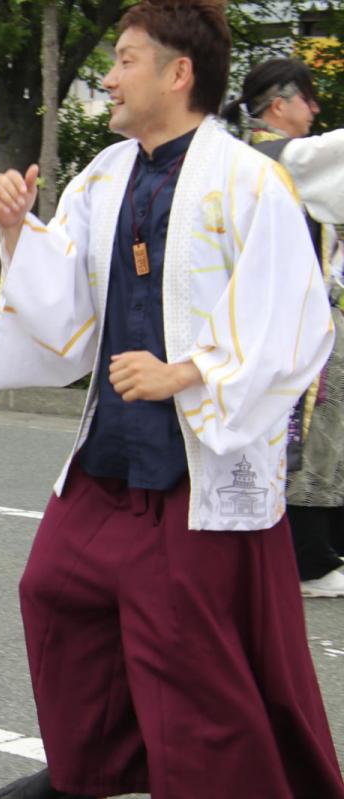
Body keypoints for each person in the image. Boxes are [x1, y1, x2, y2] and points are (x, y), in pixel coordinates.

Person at [0, 3, 344, 798]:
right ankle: (101, 764)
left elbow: (296, 314)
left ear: (180, 73)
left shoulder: (251, 180)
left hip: (196, 460)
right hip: (111, 445)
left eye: (125, 59)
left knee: (186, 656)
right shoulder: (105, 176)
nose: (107, 78)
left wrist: (188, 371)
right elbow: (66, 305)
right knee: (54, 590)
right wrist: (16, 232)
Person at [222, 58, 344, 599]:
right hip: (285, 330)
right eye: (308, 98)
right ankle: (307, 562)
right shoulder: (276, 158)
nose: (315, 108)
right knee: (304, 440)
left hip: (282, 323)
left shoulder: (244, 158)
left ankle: (310, 553)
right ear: (279, 102)